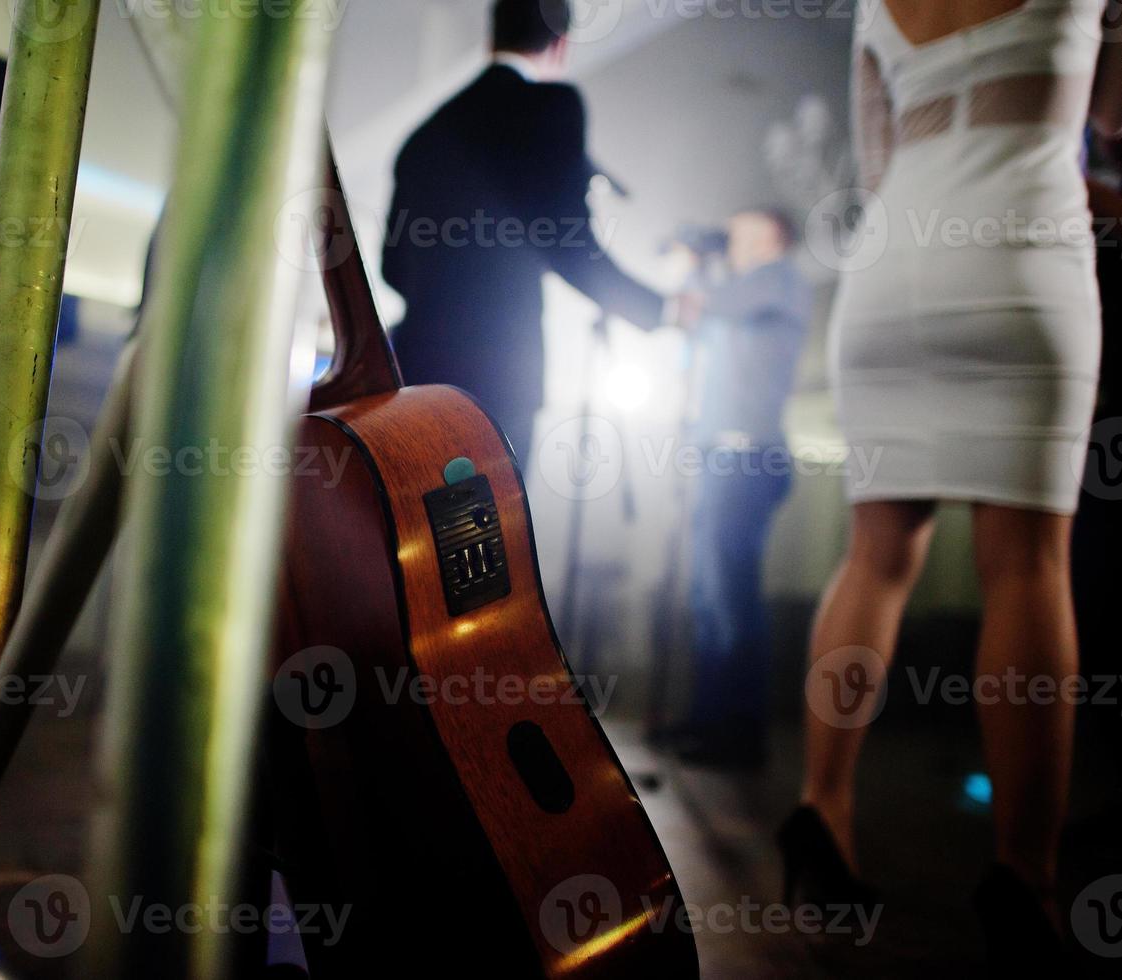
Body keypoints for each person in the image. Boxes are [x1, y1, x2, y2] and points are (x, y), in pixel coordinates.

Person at [788, 0, 1119, 966]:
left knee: (875, 556)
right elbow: (1106, 122)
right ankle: (1024, 879)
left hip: (890, 273)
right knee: (1025, 566)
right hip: (1016, 259)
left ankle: (821, 811)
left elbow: (880, 159)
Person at [382, 0, 663, 458]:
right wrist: (660, 310)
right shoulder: (550, 108)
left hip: (415, 377)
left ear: (492, 36)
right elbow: (571, 247)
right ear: (562, 44)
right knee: (494, 528)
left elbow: (394, 269)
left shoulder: (423, 138)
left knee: (412, 523)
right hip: (497, 381)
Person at [666, 210, 811, 769]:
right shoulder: (738, 289)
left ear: (776, 236)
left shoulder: (780, 279)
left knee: (731, 598)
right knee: (707, 594)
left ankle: (741, 734)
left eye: (744, 231)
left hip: (748, 454)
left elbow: (707, 302)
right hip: (717, 455)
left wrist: (697, 264)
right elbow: (684, 317)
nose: (733, 241)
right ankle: (709, 721)